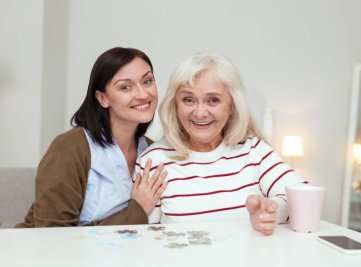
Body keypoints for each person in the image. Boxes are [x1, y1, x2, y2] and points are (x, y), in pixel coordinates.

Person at [135, 52, 306, 235]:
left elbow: (304, 196)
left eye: (213, 100)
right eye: (188, 100)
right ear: (175, 104)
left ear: (232, 105)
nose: (200, 113)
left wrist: (271, 211)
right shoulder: (152, 163)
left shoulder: (254, 150)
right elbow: (145, 242)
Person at [15, 47, 167, 227]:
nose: (143, 94)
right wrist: (137, 211)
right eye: (125, 87)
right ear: (102, 98)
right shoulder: (70, 148)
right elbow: (52, 237)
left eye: (147, 81)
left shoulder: (152, 151)